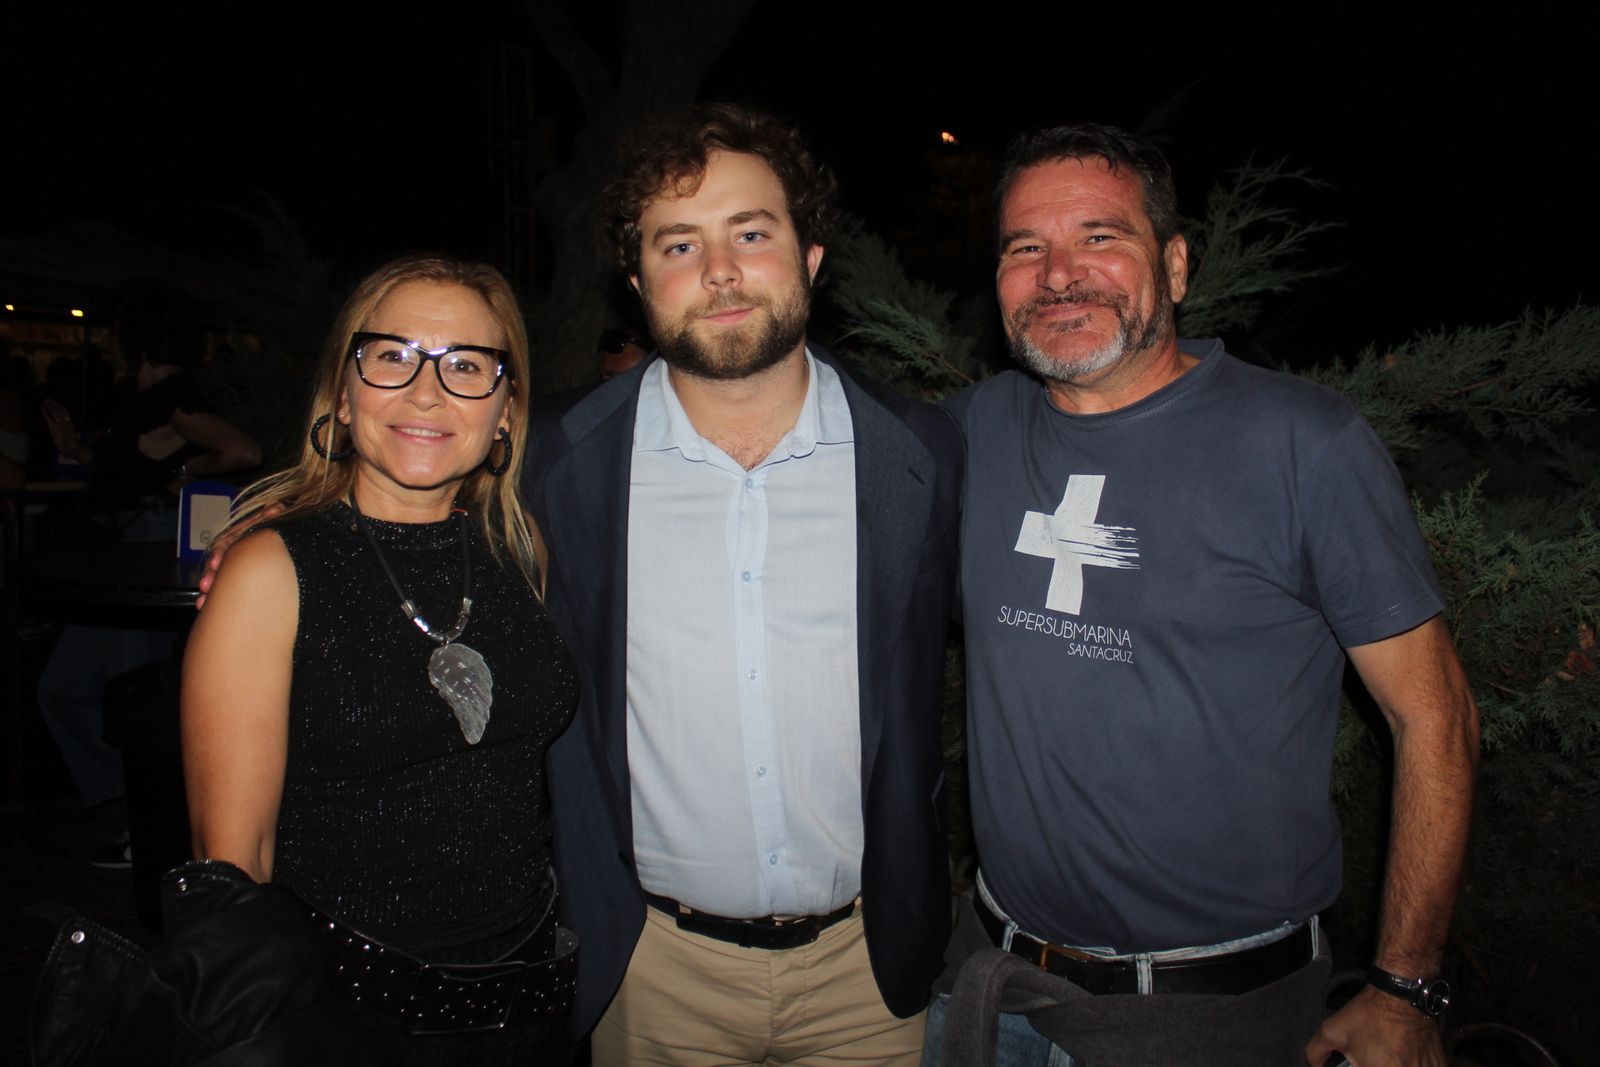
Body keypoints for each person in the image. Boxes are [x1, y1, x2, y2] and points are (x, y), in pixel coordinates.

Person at [928, 124, 1480, 1067]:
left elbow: (1438, 716)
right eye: (1028, 247)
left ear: (1175, 265)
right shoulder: (966, 435)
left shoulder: (1304, 445)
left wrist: (1405, 987)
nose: (1061, 274)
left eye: (1102, 237)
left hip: (1213, 1016)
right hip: (990, 981)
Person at [523, 104, 961, 1065]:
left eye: (750, 233)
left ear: (809, 259)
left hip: (868, 970)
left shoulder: (918, 452)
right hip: (651, 973)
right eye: (680, 243)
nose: (719, 270)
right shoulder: (554, 462)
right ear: (639, 284)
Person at [183, 255, 577, 1063]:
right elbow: (233, 863)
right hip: (345, 1016)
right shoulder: (269, 571)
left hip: (529, 1003)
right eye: (392, 356)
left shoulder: (519, 548)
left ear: (506, 411)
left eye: (467, 365)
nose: (426, 391)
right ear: (341, 390)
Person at [37, 283, 260, 836]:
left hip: (146, 545)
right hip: (124, 542)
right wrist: (79, 452)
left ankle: (149, 826)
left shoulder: (172, 395)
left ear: (135, 337)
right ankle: (124, 805)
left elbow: (243, 451)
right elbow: (133, 465)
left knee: (133, 698)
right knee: (63, 691)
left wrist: (182, 477)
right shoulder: (148, 400)